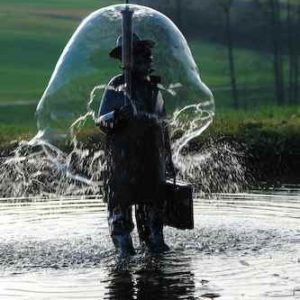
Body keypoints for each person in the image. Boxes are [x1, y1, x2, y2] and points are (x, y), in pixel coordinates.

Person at [97, 34, 175, 257]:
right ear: (129, 60)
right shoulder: (116, 85)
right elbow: (102, 120)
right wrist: (118, 115)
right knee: (120, 218)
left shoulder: (152, 89)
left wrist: (168, 158)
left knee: (153, 226)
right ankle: (124, 254)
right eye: (142, 56)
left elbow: (164, 126)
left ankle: (155, 254)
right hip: (122, 162)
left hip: (149, 159)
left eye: (148, 56)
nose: (148, 60)